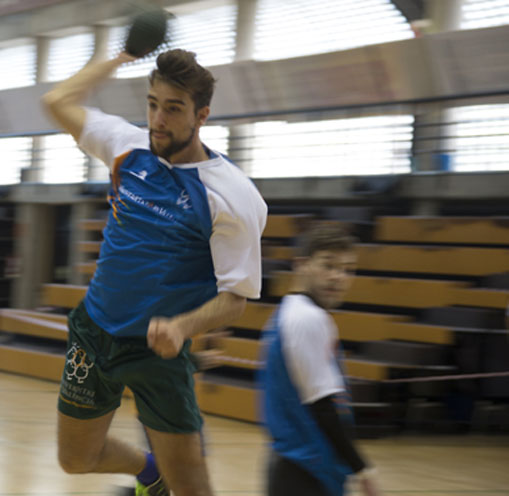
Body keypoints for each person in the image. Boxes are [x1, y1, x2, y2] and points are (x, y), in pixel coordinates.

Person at [42, 48, 267, 496]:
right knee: (75, 459)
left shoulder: (232, 195)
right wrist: (120, 56)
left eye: (173, 108)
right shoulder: (126, 146)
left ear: (201, 115)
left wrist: (183, 326)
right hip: (94, 332)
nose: (158, 119)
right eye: (152, 104)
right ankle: (150, 472)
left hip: (157, 351)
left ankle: (169, 476)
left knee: (193, 489)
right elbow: (57, 102)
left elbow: (235, 299)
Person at [259, 224, 382, 496]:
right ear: (301, 264)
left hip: (295, 465)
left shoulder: (287, 313)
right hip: (306, 471)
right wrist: (361, 468)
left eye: (348, 269)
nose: (338, 277)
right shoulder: (308, 318)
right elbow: (324, 407)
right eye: (328, 265)